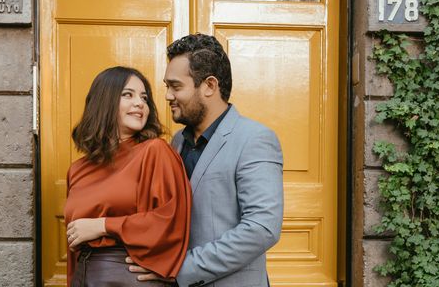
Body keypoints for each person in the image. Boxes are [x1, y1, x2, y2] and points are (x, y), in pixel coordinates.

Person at [128, 34, 284, 286]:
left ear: (209, 86)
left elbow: (261, 228)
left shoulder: (255, 139)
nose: (167, 96)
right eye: (167, 86)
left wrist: (179, 270)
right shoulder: (177, 141)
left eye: (176, 86)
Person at [64, 66, 191, 287]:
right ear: (105, 101)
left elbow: (171, 220)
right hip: (84, 276)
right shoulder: (78, 169)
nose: (140, 103)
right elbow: (75, 240)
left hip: (127, 276)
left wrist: (103, 225)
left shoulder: (155, 151)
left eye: (144, 97)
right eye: (127, 95)